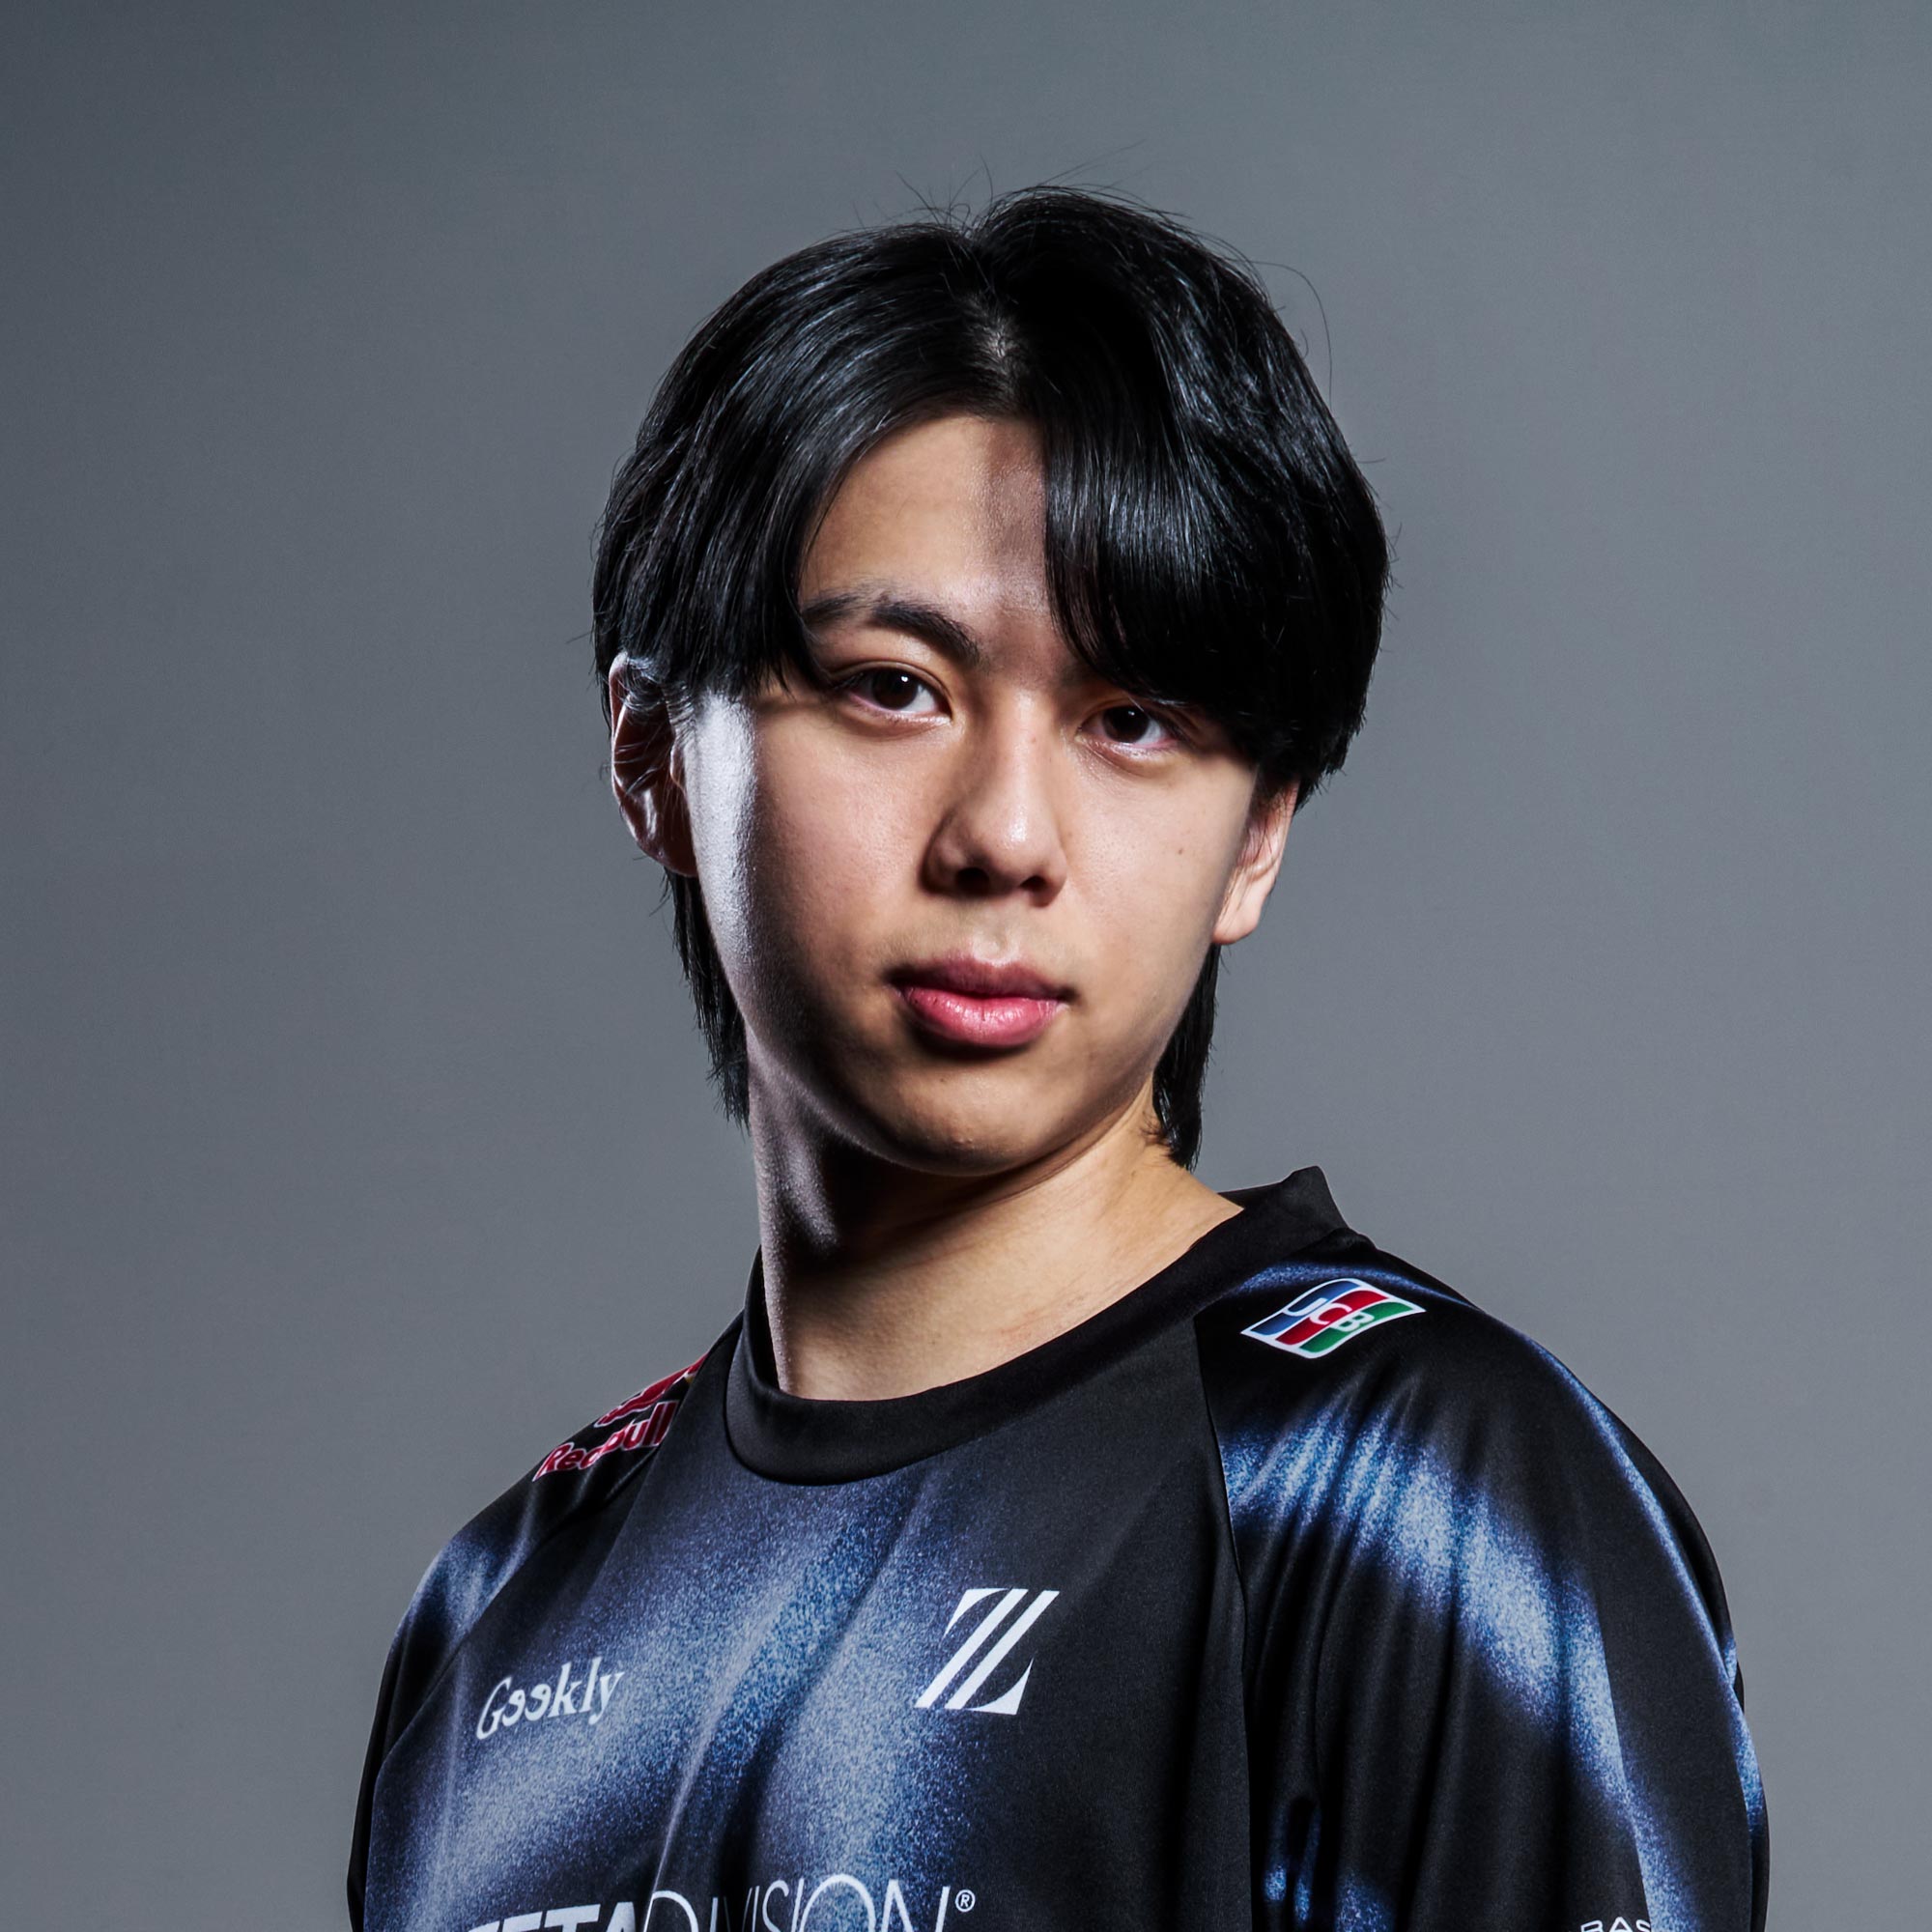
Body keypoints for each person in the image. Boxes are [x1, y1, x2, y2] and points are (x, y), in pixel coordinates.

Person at [348, 185, 1768, 1932]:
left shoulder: (1403, 1494)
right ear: (652, 756)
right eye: (893, 688)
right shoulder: (505, 1604)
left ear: (1256, 839)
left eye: (1133, 721)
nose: (1006, 838)